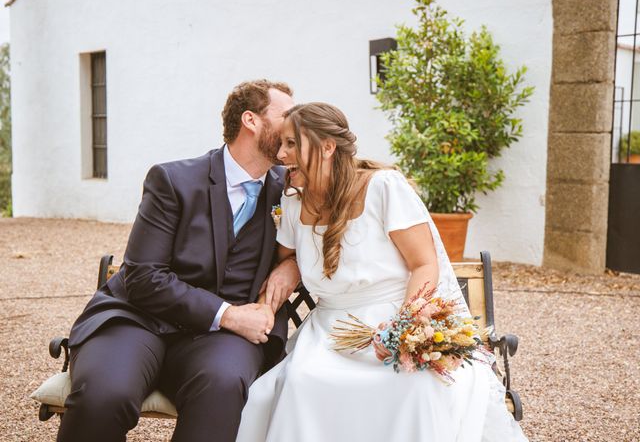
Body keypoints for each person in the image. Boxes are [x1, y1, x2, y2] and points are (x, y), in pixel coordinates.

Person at [236, 102, 528, 441]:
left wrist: (404, 328)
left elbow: (423, 264)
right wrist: (288, 268)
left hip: (395, 318)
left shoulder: (382, 187)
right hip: (329, 333)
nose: (281, 153)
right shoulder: (292, 200)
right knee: (301, 382)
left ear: (328, 147)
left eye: (291, 143)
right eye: (281, 143)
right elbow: (290, 256)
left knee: (415, 387)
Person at [57, 80, 301, 442]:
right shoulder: (173, 180)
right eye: (287, 116)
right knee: (104, 396)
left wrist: (291, 266)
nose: (296, 125)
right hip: (138, 320)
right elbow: (143, 277)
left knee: (222, 386)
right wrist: (229, 314)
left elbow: (331, 229)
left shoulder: (292, 187)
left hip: (225, 340)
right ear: (251, 120)